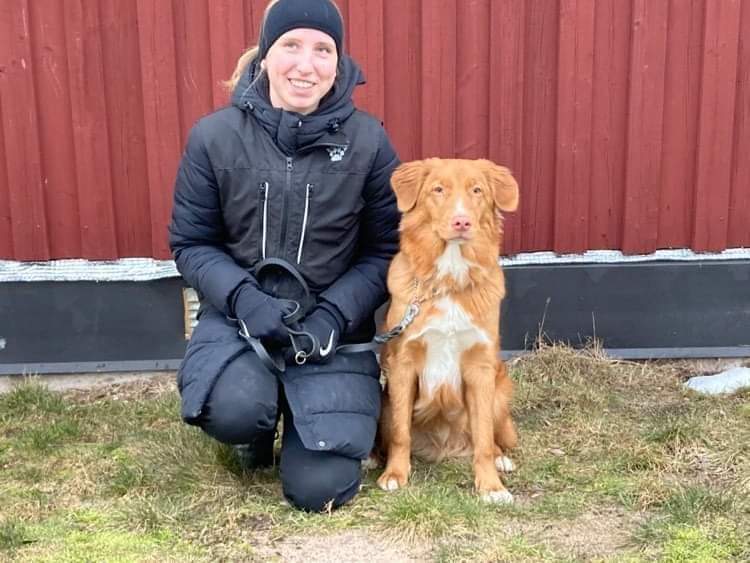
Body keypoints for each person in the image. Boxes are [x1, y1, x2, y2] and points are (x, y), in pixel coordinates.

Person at [168, 0, 400, 513]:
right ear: (266, 54)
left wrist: (335, 316)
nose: (306, 65)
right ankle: (257, 420)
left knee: (320, 491)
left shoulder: (369, 141)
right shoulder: (213, 137)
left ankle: (301, 418)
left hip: (329, 334)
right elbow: (192, 243)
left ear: (338, 62)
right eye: (291, 45)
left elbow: (385, 249)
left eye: (323, 50)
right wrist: (243, 299)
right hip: (241, 320)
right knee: (233, 412)